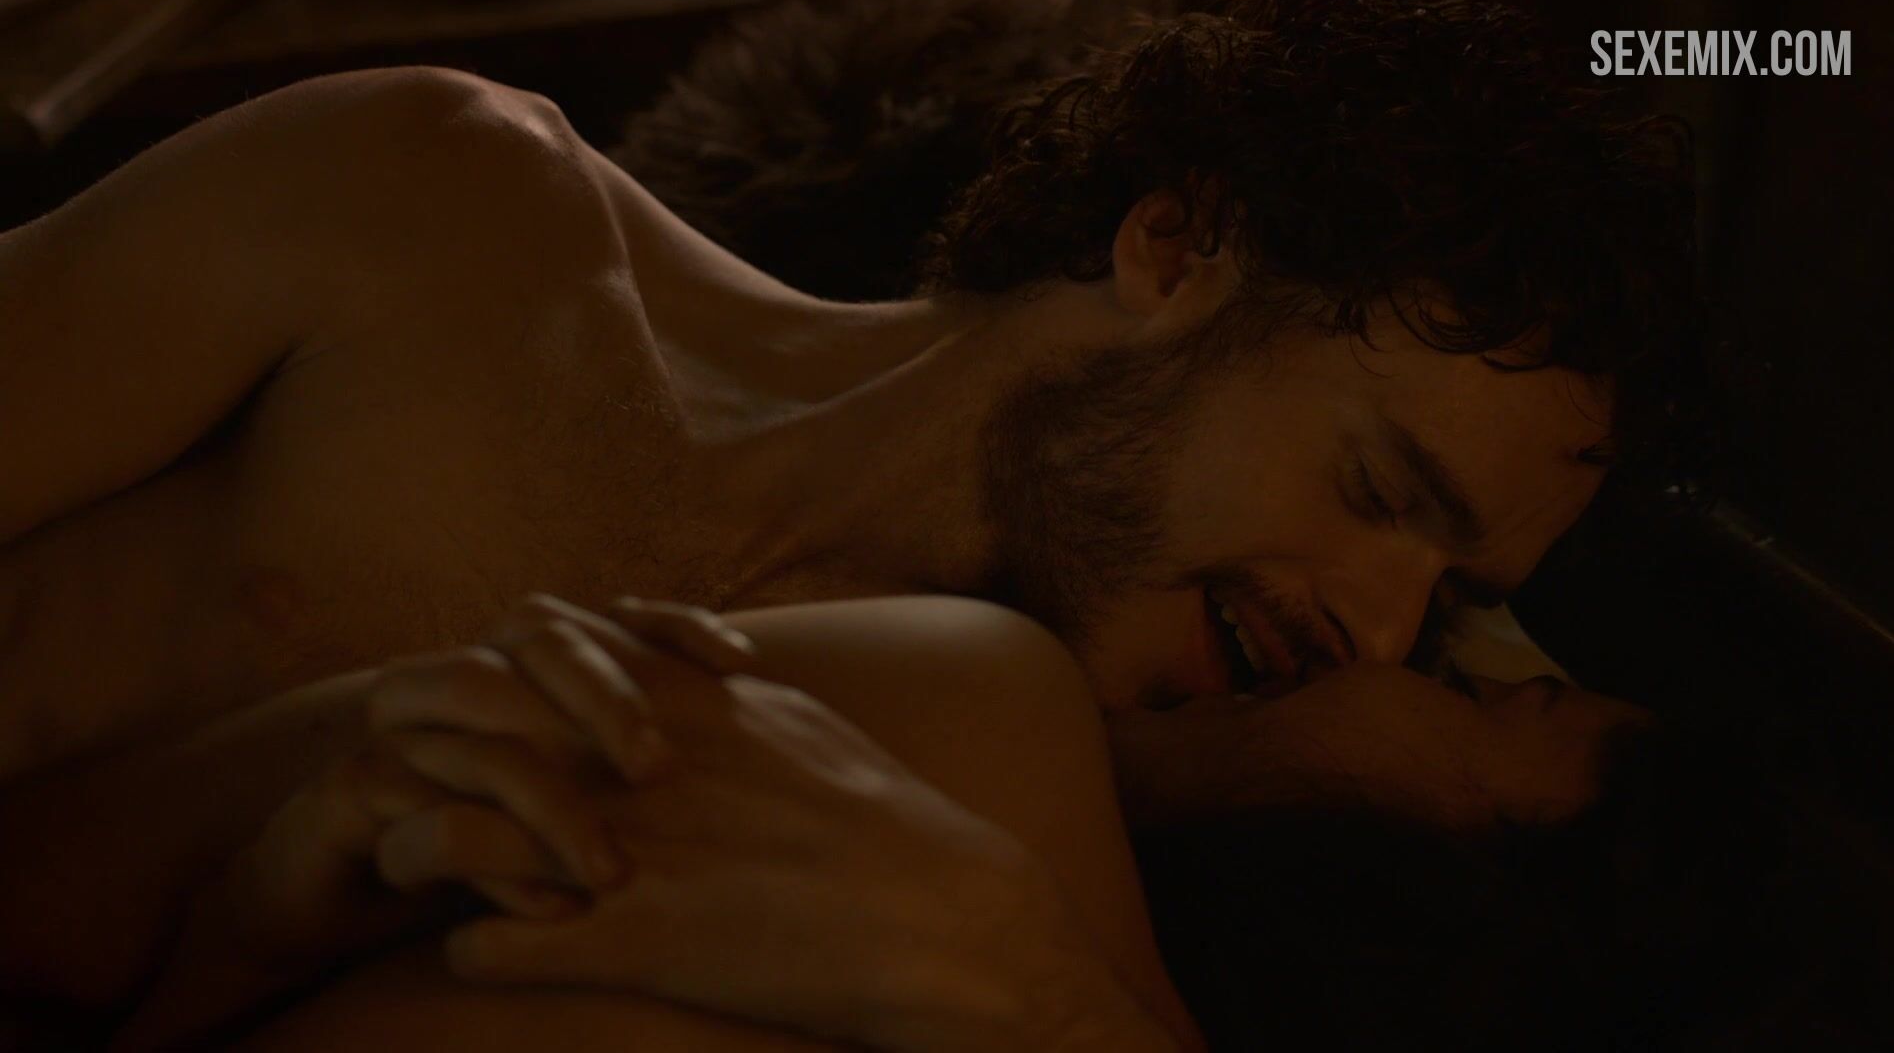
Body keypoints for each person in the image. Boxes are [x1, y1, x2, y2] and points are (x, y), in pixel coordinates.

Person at [0, 0, 1701, 1025]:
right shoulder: (446, 211)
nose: (1380, 634)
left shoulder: (989, 789)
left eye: (1451, 609)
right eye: (1377, 485)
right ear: (1176, 250)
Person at [108, 594, 1652, 1050]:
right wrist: (239, 947)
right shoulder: (969, 737)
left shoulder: (981, 743)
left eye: (1476, 689)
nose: (1380, 636)